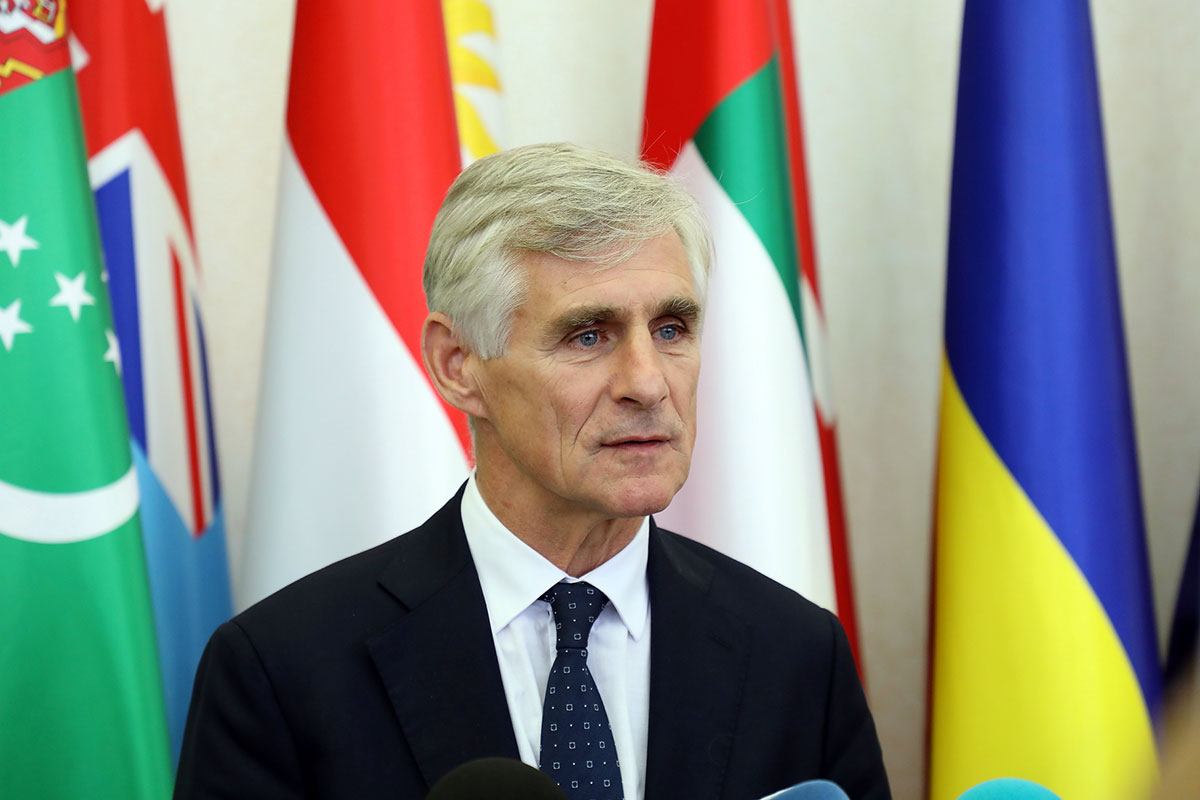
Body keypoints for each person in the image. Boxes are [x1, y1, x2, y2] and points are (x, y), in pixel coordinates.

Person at [174, 143, 890, 800]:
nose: (648, 383)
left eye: (671, 329)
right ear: (459, 366)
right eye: (588, 335)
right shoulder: (283, 670)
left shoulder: (797, 655)